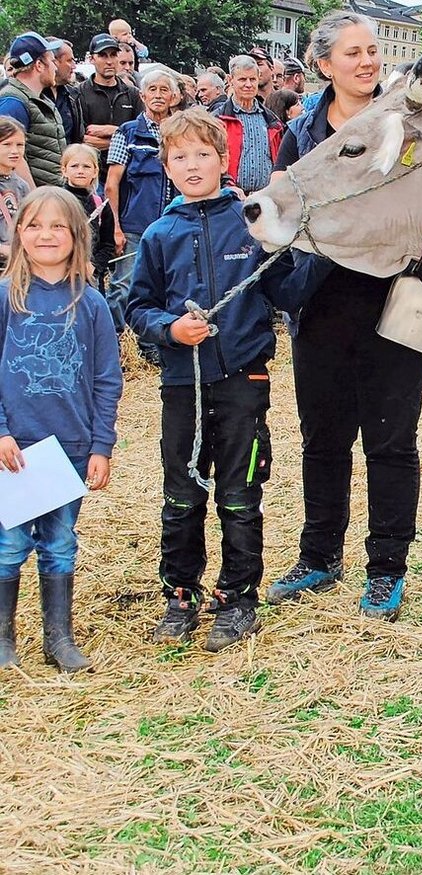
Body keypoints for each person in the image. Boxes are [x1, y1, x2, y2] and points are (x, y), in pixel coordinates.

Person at [267, 11, 422, 620]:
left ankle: (387, 568)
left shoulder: (408, 123)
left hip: (403, 299)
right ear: (324, 64)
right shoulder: (301, 132)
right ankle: (319, 557)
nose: (367, 61)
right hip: (324, 302)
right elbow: (290, 214)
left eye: (372, 51)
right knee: (324, 437)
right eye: (353, 53)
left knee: (392, 439)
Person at [125, 108, 301, 648]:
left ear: (223, 159)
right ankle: (180, 595)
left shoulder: (250, 219)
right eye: (180, 157)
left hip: (242, 379)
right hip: (182, 382)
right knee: (181, 493)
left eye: (204, 154)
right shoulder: (159, 233)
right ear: (166, 166)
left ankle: (238, 597)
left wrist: (315, 254)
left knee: (240, 492)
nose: (193, 164)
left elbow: (287, 289)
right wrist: (170, 330)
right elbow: (138, 307)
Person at [0, 186, 122, 672]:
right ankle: (4, 639)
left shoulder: (91, 304)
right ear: (19, 233)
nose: (46, 235)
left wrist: (100, 444)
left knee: (59, 540)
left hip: (68, 447)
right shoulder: (6, 298)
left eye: (58, 226)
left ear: (77, 236)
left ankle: (59, 639)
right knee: (9, 542)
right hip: (16, 449)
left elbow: (107, 379)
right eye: (34, 225)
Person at [106, 66, 180, 305]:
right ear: (142, 96)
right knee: (124, 285)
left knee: (170, 284)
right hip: (135, 225)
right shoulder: (127, 133)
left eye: (164, 90)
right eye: (152, 89)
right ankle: (113, 338)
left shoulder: (180, 134)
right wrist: (116, 226)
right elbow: (111, 184)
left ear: (173, 97)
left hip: (173, 223)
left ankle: (155, 340)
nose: (158, 95)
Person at [208, 56, 285, 194]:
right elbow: (208, 161)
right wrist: (226, 186)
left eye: (253, 79)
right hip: (229, 197)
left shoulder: (272, 121)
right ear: (231, 80)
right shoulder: (216, 120)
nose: (248, 85)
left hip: (266, 196)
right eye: (242, 79)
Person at [0, 32, 65, 187]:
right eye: (52, 60)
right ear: (39, 65)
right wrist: (34, 199)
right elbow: (13, 157)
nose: (55, 67)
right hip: (35, 201)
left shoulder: (38, 99)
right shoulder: (13, 101)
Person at [76, 34, 141, 186]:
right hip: (92, 175)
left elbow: (139, 136)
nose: (109, 61)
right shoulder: (78, 93)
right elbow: (83, 140)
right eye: (103, 55)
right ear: (92, 59)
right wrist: (123, 137)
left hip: (126, 174)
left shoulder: (132, 94)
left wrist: (113, 131)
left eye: (113, 54)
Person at [60, 144, 116, 315]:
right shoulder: (56, 200)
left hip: (90, 276)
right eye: (74, 166)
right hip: (61, 274)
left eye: (86, 166)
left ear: (95, 171)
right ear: (64, 169)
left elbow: (108, 244)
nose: (80, 171)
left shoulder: (100, 204)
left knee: (91, 315)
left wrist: (94, 266)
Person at [0, 118, 31, 269]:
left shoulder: (22, 186)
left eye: (20, 145)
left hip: (14, 265)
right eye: (6, 144)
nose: (15, 151)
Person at [44, 39, 84, 149]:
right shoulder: (33, 95)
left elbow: (77, 138)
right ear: (54, 61)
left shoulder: (73, 95)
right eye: (69, 61)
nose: (74, 66)